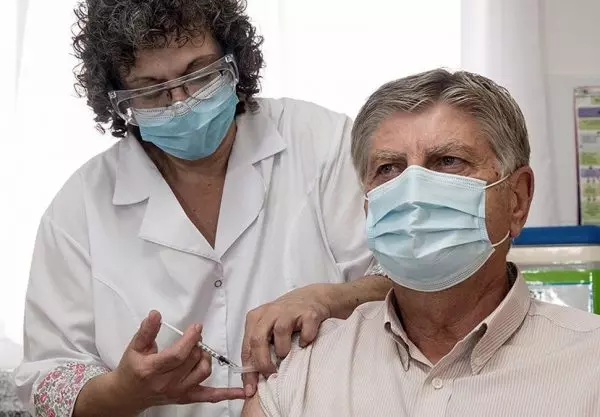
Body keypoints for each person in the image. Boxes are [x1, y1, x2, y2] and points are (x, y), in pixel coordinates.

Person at [13, 1, 392, 416]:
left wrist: (328, 298)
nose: (182, 103)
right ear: (119, 99)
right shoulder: (80, 207)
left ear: (234, 61)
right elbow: (46, 379)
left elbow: (410, 282)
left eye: (200, 73)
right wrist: (125, 391)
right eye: (151, 90)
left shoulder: (321, 142)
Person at [243, 69, 600, 417]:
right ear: (367, 202)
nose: (412, 192)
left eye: (448, 161)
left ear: (517, 200)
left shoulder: (590, 366)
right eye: (389, 168)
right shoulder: (300, 375)